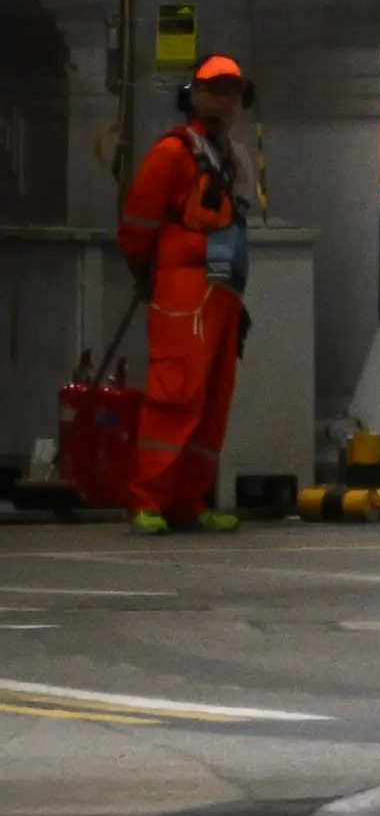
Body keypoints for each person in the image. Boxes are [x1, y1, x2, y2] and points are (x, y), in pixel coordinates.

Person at [116, 54, 259, 534]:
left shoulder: (231, 157)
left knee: (212, 401)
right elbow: (137, 225)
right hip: (184, 291)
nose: (227, 99)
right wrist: (147, 273)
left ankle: (188, 500)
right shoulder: (172, 153)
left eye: (234, 90)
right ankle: (148, 499)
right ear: (194, 95)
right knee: (174, 396)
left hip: (222, 292)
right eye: (218, 88)